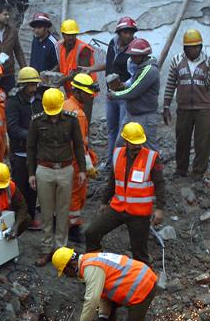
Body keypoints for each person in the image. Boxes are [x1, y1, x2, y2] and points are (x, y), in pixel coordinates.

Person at [85, 122, 165, 264]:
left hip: (139, 214)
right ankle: (95, 266)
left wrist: (159, 208)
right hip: (117, 208)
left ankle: (144, 281)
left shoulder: (152, 158)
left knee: (139, 253)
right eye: (133, 144)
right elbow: (113, 181)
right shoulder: (118, 154)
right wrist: (104, 201)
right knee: (91, 233)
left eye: (139, 144)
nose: (137, 147)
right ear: (126, 142)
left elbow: (160, 184)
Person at [27, 88, 86, 264]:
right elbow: (31, 147)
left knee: (62, 210)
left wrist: (82, 169)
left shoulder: (71, 120)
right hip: (44, 169)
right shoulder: (37, 122)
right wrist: (31, 173)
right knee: (46, 211)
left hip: (66, 169)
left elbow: (78, 145)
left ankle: (61, 249)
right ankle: (46, 248)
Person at [162, 29, 210, 179]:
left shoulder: (208, 60)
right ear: (185, 48)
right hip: (183, 109)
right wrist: (166, 105)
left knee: (203, 143)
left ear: (201, 47)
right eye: (190, 47)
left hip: (204, 109)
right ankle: (181, 170)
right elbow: (170, 84)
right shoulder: (176, 60)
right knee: (182, 140)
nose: (194, 49)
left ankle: (198, 172)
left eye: (197, 46)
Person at [83, 16, 137, 171]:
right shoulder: (113, 43)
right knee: (111, 130)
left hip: (124, 95)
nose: (128, 35)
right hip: (110, 94)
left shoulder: (135, 49)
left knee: (122, 130)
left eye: (130, 32)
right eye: (125, 32)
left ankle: (120, 163)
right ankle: (111, 161)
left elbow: (136, 75)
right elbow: (109, 64)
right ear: (119, 32)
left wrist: (123, 86)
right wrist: (90, 69)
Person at [63, 73, 99, 240]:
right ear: (77, 92)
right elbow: (79, 144)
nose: (90, 96)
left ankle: (62, 221)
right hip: (75, 161)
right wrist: (89, 166)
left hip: (63, 158)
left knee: (64, 192)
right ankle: (73, 229)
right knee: (76, 194)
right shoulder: (78, 114)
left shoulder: (65, 105)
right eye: (87, 93)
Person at [108, 38, 160, 151]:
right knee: (121, 144)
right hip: (132, 114)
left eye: (134, 55)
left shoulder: (149, 70)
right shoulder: (139, 67)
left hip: (145, 116)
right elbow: (132, 85)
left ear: (143, 55)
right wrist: (122, 86)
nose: (131, 58)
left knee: (149, 149)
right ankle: (122, 168)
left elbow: (134, 91)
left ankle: (154, 169)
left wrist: (115, 95)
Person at [6, 67, 41, 231]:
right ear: (22, 85)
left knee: (33, 187)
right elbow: (12, 128)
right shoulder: (13, 102)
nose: (33, 88)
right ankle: (18, 219)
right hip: (19, 152)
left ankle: (31, 217)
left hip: (35, 153)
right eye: (29, 85)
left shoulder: (40, 100)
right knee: (20, 188)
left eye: (34, 84)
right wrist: (32, 135)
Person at [56, 19, 97, 120]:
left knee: (84, 119)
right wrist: (50, 74)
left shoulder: (83, 49)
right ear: (63, 34)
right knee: (73, 119)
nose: (71, 37)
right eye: (68, 35)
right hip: (72, 90)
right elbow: (61, 63)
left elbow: (83, 73)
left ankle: (86, 136)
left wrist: (63, 79)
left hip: (85, 91)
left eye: (73, 34)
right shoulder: (60, 46)